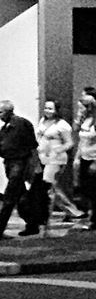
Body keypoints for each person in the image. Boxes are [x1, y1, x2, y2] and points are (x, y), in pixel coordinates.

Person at [0, 99, 40, 237]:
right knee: (21, 198)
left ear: (9, 111)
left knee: (9, 197)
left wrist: (36, 166)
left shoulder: (22, 125)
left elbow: (33, 147)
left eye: (0, 112)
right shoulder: (4, 129)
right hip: (10, 164)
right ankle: (32, 223)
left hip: (19, 163)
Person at [38, 99, 83, 221]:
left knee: (49, 185)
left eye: (50, 108)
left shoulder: (62, 125)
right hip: (43, 158)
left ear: (57, 110)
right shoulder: (43, 121)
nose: (47, 111)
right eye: (46, 108)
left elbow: (70, 143)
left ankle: (69, 210)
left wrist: (58, 150)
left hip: (56, 159)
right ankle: (70, 210)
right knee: (51, 187)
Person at [76, 87, 96, 227]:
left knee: (94, 188)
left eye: (82, 108)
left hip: (94, 159)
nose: (80, 110)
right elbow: (80, 139)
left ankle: (94, 219)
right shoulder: (85, 120)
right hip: (84, 157)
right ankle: (92, 215)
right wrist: (77, 157)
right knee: (86, 188)